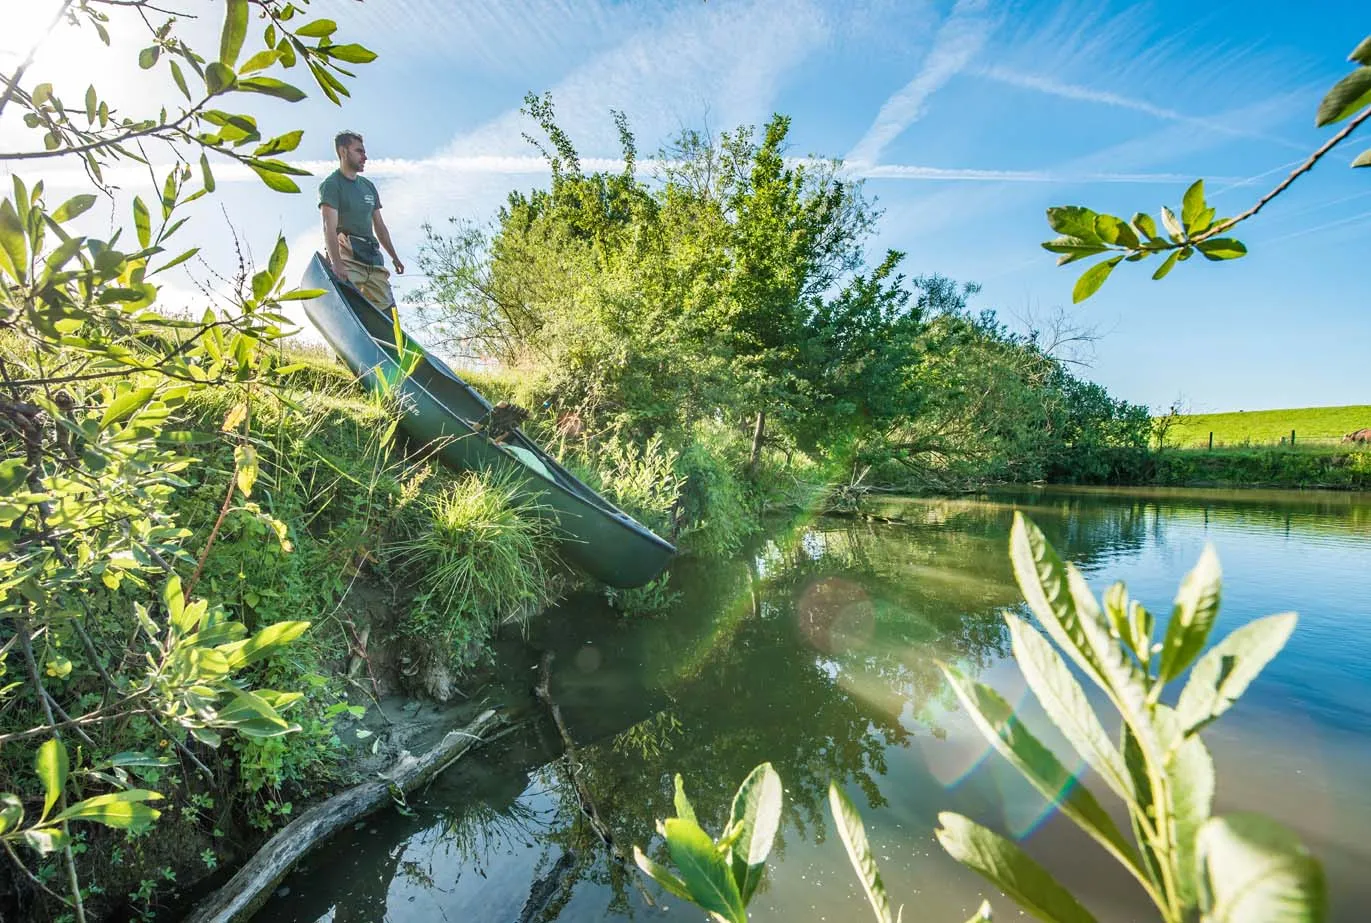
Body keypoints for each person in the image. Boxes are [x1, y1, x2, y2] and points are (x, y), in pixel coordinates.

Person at [318, 130, 404, 308]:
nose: (365, 157)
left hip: (371, 255)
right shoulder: (332, 185)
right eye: (359, 151)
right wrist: (336, 263)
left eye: (364, 151)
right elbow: (329, 227)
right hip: (347, 253)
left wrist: (394, 257)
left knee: (388, 309)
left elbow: (379, 226)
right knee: (347, 301)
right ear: (343, 152)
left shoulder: (368, 186)